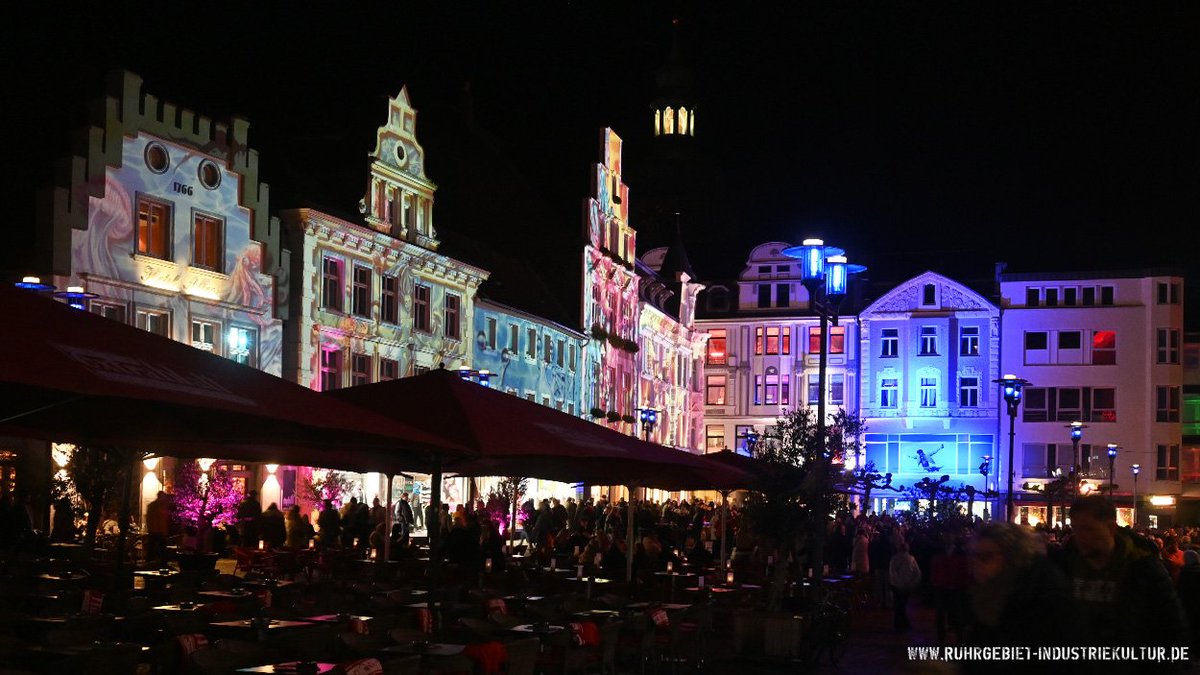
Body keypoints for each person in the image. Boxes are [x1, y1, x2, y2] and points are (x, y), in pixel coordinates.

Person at [1054, 495, 1188, 651]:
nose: (1080, 537)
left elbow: (1172, 627)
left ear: (1111, 528)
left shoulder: (1144, 568)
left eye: (1088, 529)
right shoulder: (1064, 563)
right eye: (1076, 529)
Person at [889, 540, 921, 632]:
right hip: (907, 586)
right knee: (902, 605)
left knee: (898, 605)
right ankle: (902, 623)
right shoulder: (911, 559)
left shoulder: (894, 559)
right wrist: (913, 583)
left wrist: (895, 583)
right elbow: (917, 573)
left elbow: (892, 572)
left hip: (897, 586)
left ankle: (899, 623)